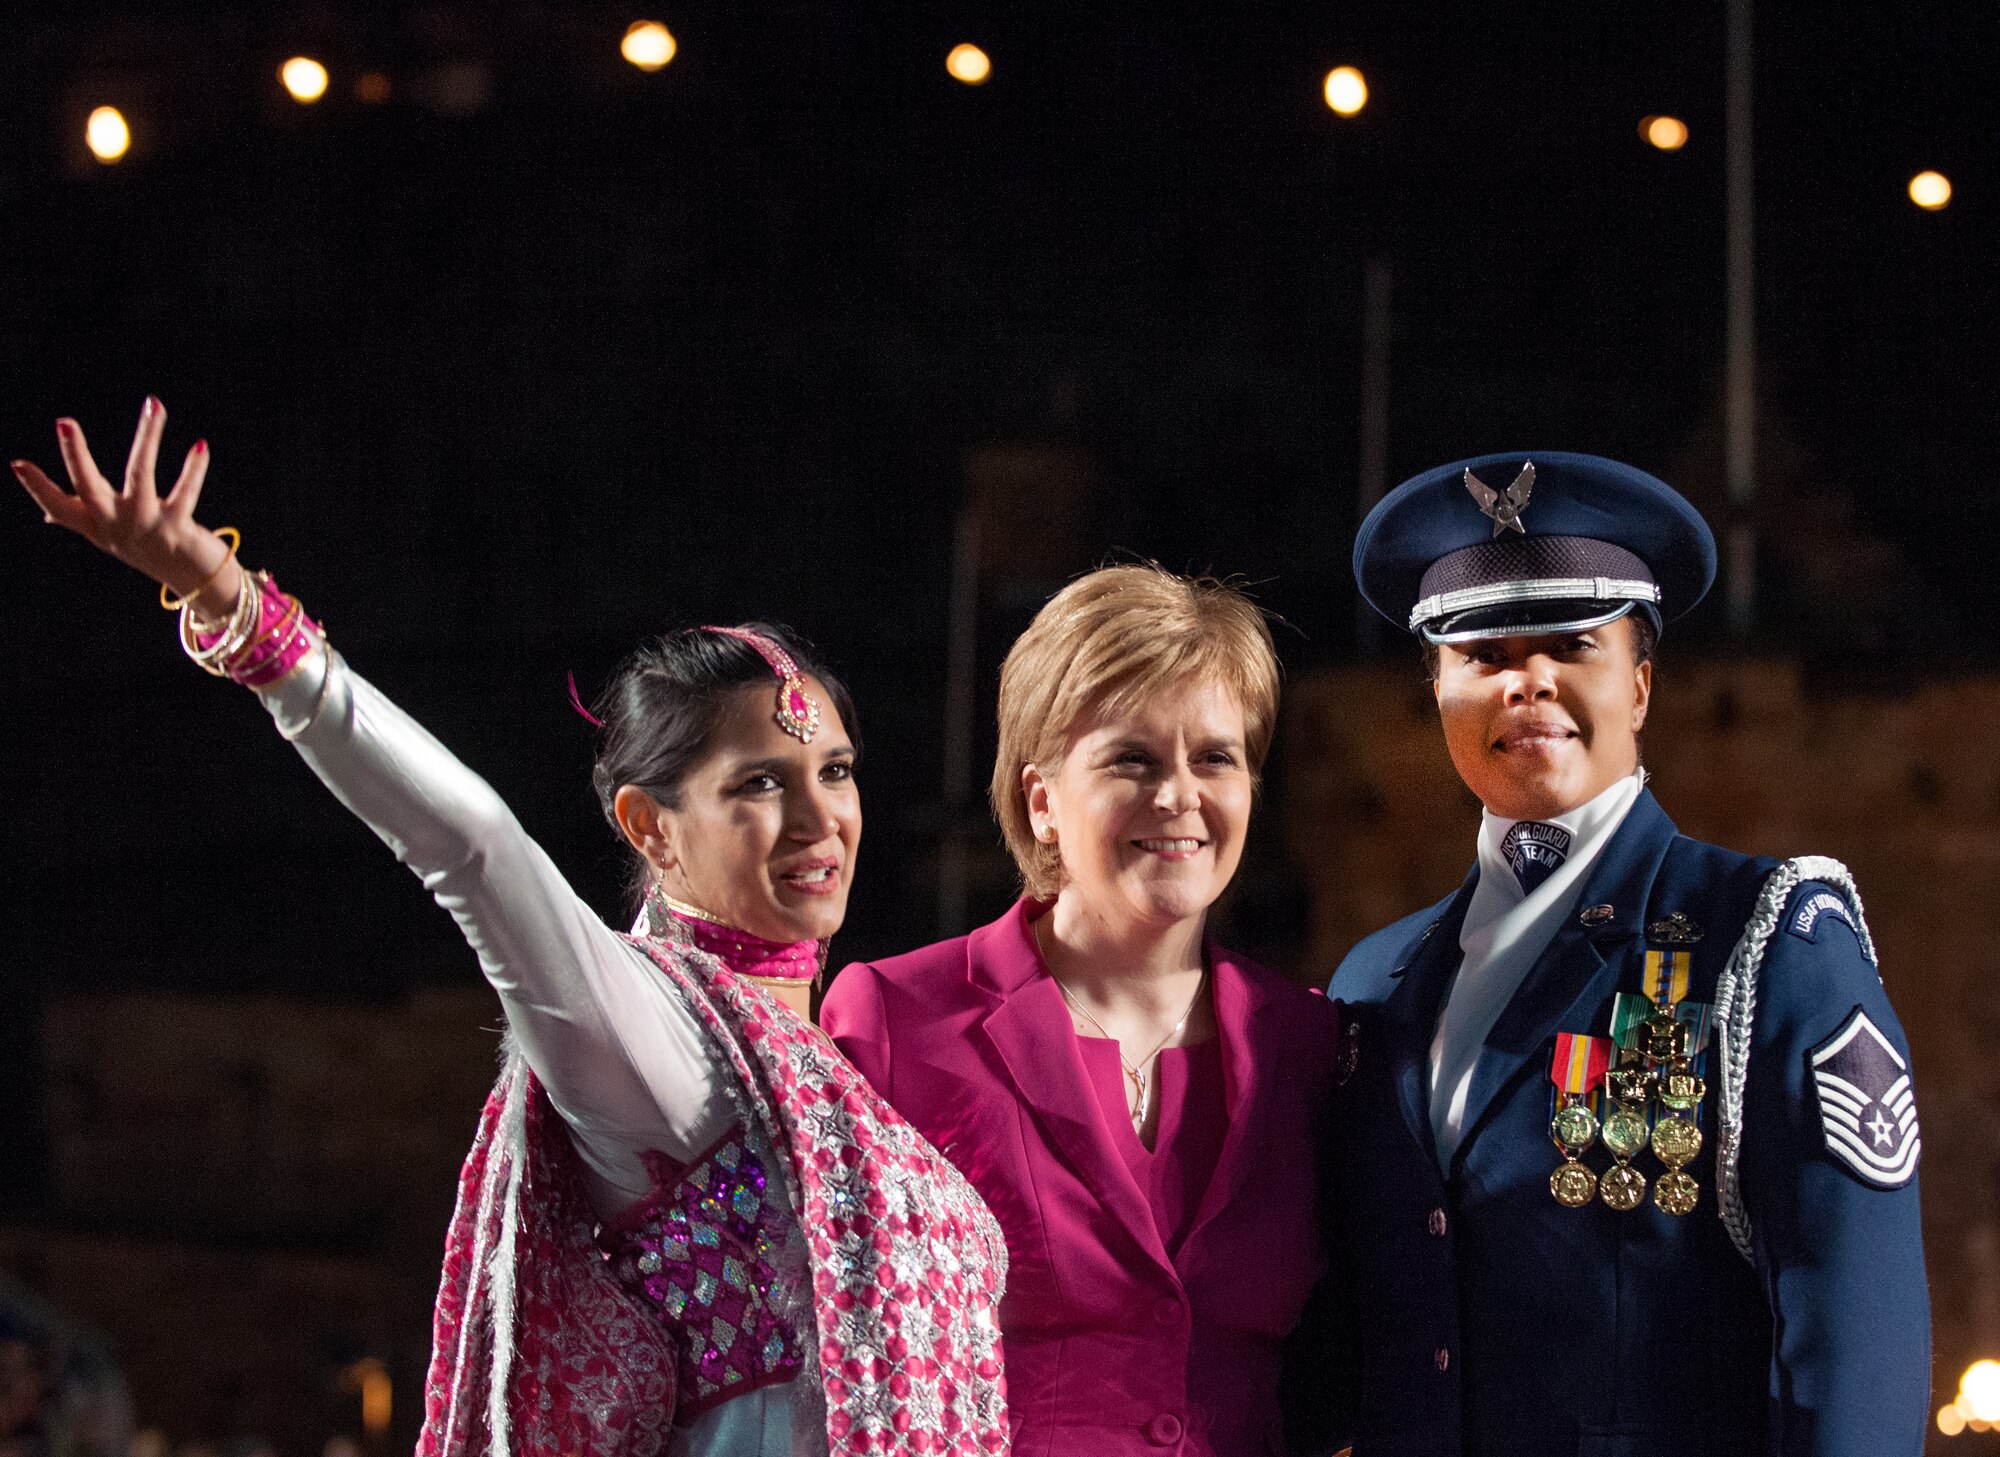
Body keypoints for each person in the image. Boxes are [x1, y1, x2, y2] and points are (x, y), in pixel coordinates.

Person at [11, 401, 1010, 1457]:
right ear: (649, 826)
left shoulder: (853, 1093)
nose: (818, 818)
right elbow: (475, 846)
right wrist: (245, 617)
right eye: (759, 784)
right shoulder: (658, 1040)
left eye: (835, 771)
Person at [1327, 452, 1929, 1455]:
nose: (1526, 678)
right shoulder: (1366, 983)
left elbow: (1852, 1342)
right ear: (1436, 691)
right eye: (1480, 653)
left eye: (1570, 643)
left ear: (1639, 685)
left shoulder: (1768, 940)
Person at [821, 565, 1345, 1457]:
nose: (1178, 795)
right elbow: (828, 1346)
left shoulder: (1308, 1040)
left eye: (1214, 757)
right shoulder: (894, 1021)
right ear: (1042, 801)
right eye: (1131, 759)